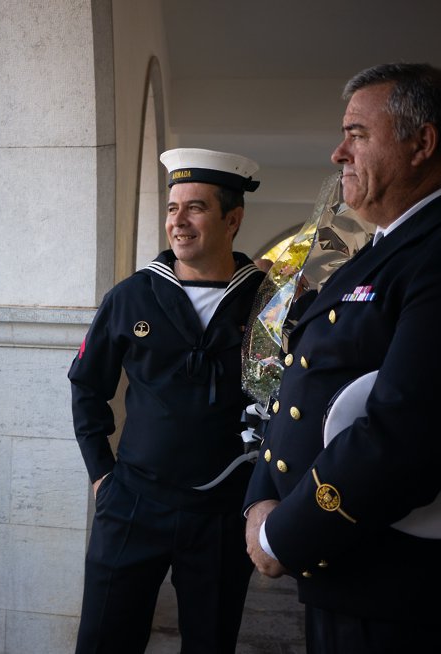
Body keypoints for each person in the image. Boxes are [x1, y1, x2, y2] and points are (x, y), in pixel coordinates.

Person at [244, 63, 441, 654]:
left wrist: (282, 535)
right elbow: (306, 380)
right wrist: (260, 499)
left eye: (357, 134)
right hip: (355, 576)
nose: (338, 152)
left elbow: (410, 429)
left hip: (414, 596)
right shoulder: (390, 249)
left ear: (422, 143)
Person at [68, 148, 265, 653]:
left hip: (222, 515)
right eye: (173, 208)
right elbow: (88, 385)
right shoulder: (132, 296)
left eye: (195, 207)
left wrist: (266, 493)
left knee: (210, 643)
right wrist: (102, 475)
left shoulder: (268, 303)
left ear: (233, 219)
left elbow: (288, 404)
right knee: (103, 641)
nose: (178, 221)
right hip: (132, 502)